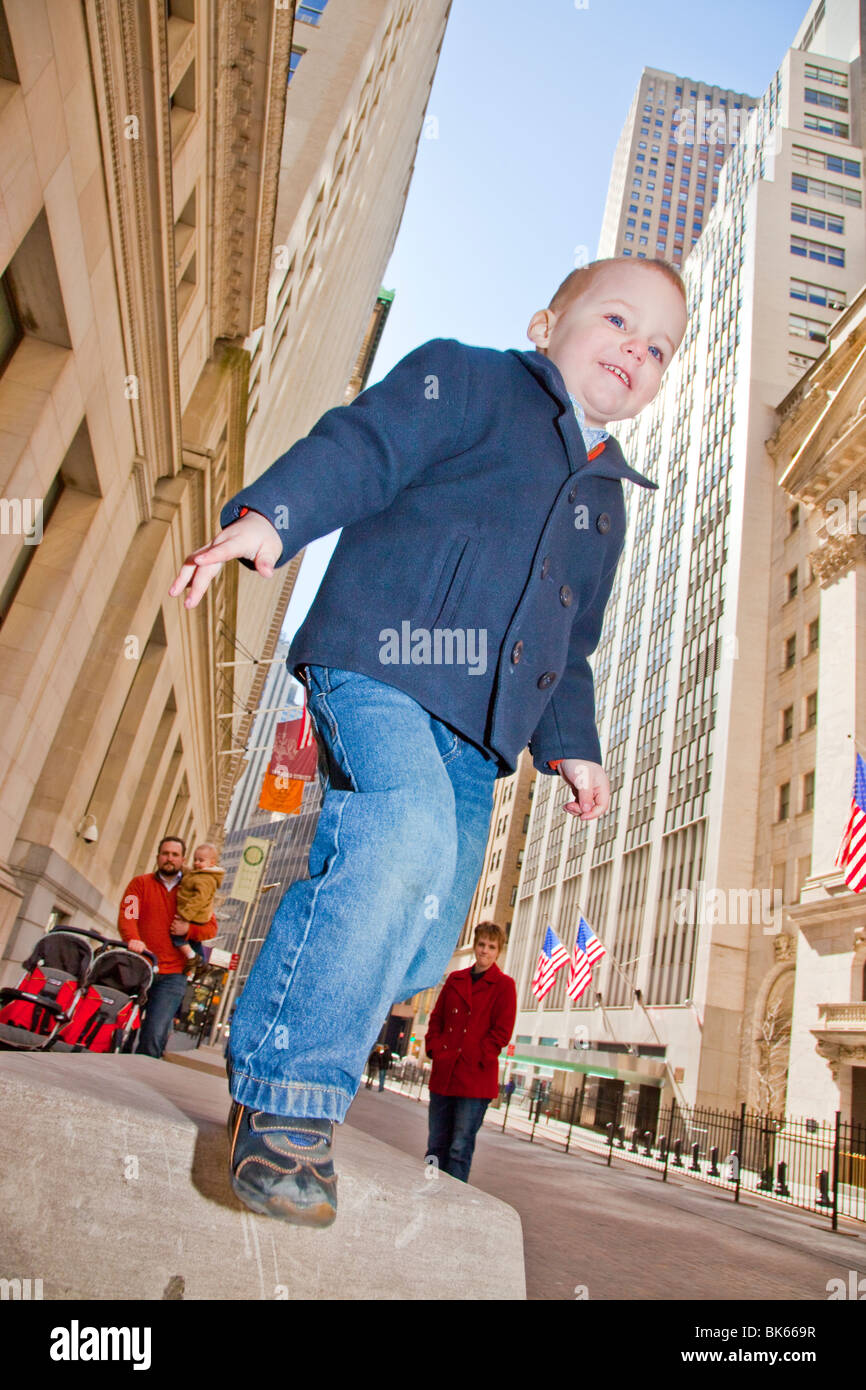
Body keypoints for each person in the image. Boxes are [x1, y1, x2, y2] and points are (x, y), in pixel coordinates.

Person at [169, 256, 689, 1227]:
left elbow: (570, 643)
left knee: (416, 947)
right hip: (379, 664)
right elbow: (363, 448)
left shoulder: (605, 504)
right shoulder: (472, 381)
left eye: (657, 346)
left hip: (477, 741)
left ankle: (312, 1002)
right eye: (616, 318)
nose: (634, 348)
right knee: (399, 840)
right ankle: (286, 1103)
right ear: (546, 322)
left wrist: (573, 741)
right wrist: (271, 519)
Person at [424, 922, 515, 1181]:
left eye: (491, 947)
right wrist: (435, 1049)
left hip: (475, 1080)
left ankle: (452, 1203)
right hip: (445, 1074)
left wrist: (477, 1057)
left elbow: (501, 1032)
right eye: (481, 945)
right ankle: (428, 1190)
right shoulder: (455, 980)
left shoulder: (504, 986)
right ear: (475, 946)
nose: (485, 951)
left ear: (499, 951)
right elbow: (437, 1018)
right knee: (435, 1144)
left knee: (459, 1148)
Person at [118, 836, 219, 1058]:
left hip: (173, 975)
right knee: (122, 1028)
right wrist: (133, 938)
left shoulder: (195, 886)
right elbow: (128, 914)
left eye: (175, 855)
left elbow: (211, 928)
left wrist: (188, 931)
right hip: (139, 966)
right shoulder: (140, 884)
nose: (169, 859)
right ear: (158, 857)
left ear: (183, 859)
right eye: (165, 854)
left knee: (154, 1035)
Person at [170, 843, 225, 975]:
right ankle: (203, 963)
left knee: (176, 934)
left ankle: (192, 957)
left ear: (211, 863)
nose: (196, 863)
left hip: (194, 915)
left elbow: (198, 900)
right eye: (195, 859)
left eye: (201, 860)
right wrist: (179, 866)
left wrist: (185, 915)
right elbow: (190, 873)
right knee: (194, 943)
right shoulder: (200, 874)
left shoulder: (206, 880)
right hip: (196, 915)